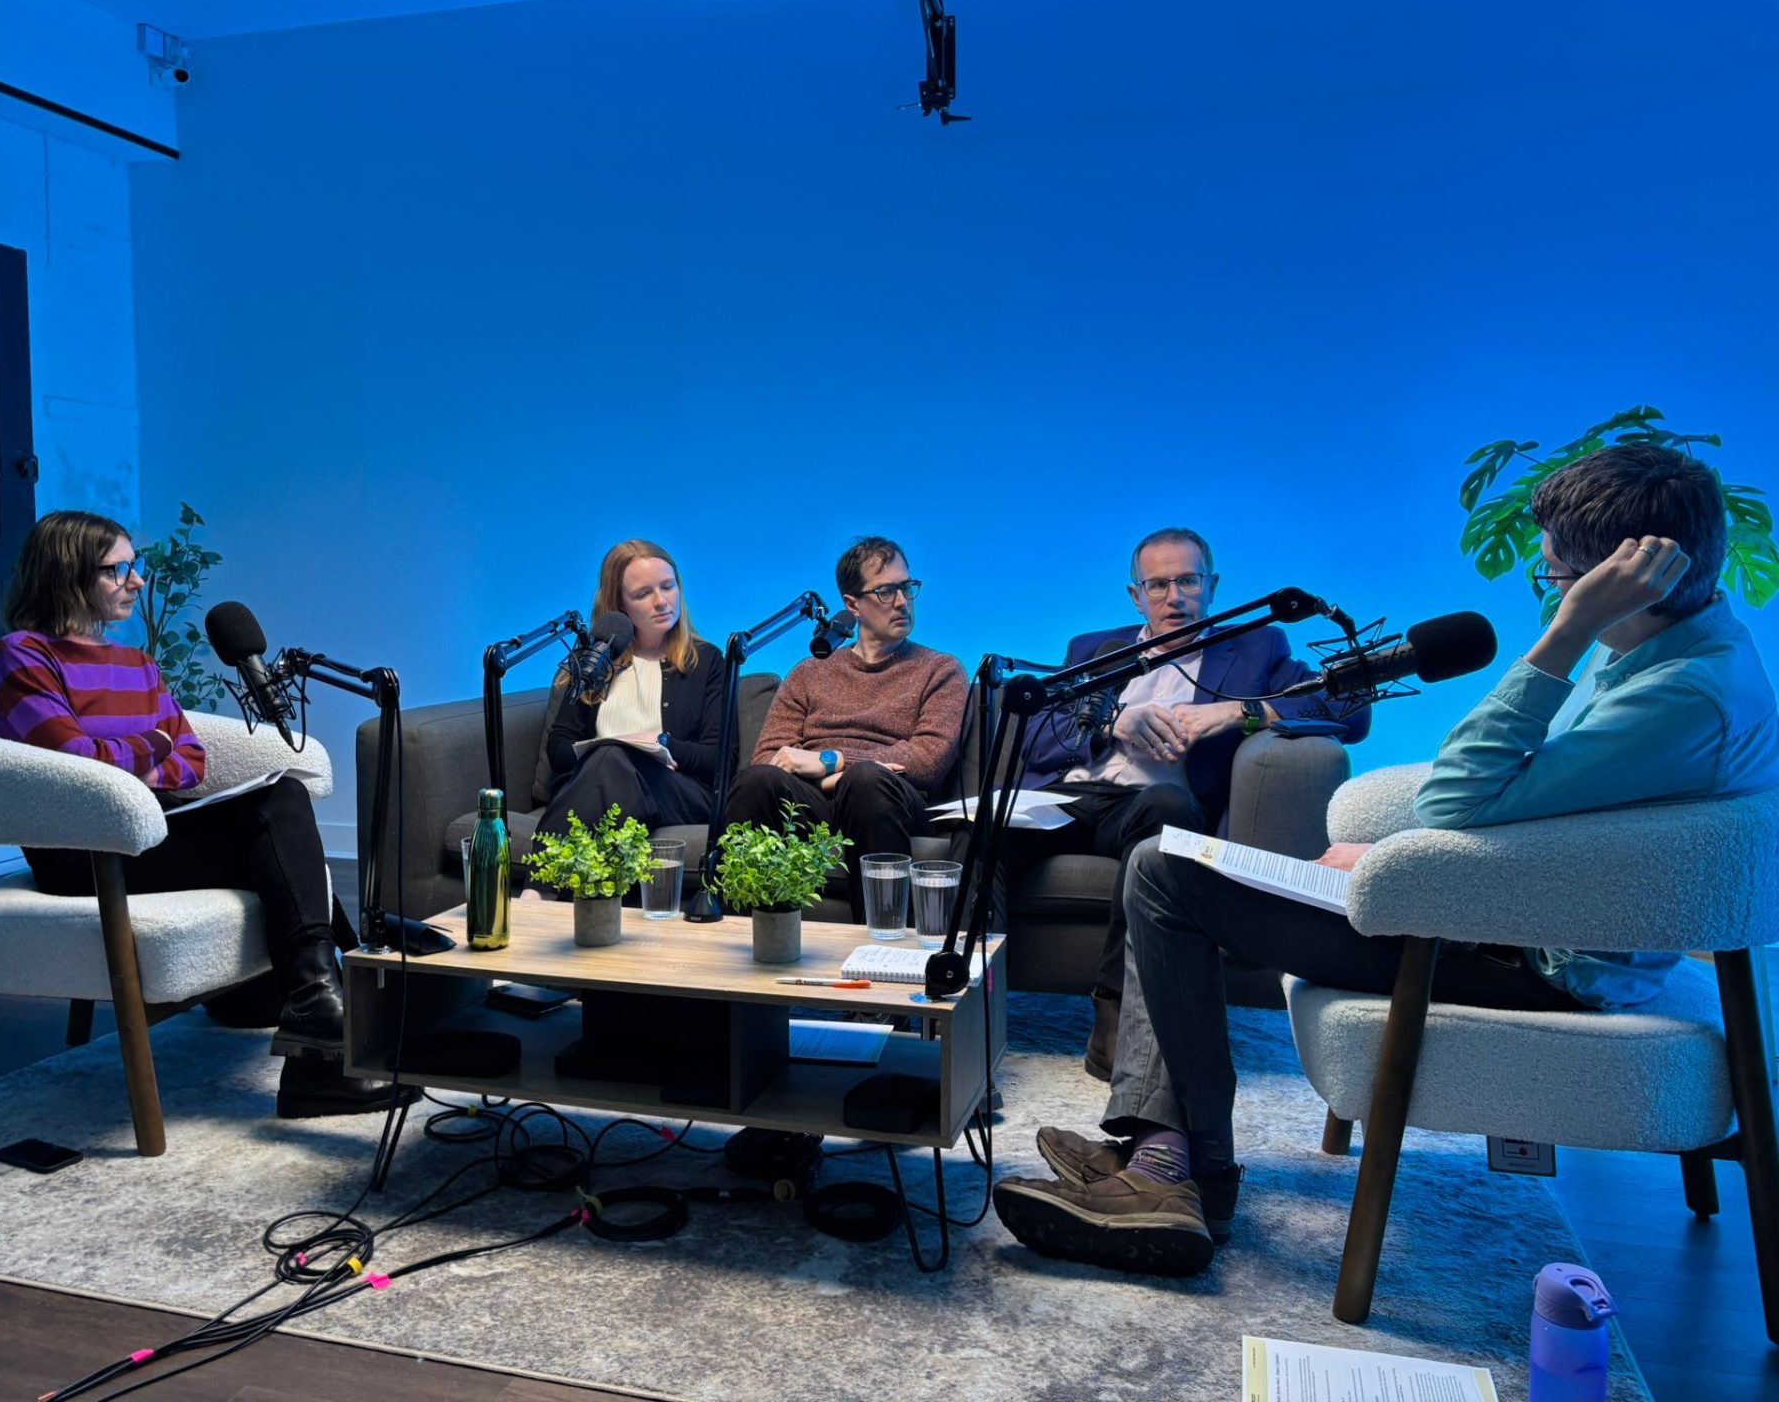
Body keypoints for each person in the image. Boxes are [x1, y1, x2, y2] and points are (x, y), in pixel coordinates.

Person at [992, 444, 1779, 1277]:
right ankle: (1164, 1153)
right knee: (1164, 865)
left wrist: (1567, 631)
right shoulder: (1668, 653)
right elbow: (1524, 792)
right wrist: (1393, 851)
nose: (1554, 592)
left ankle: (1177, 1176)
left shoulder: (1680, 690)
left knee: (1163, 867)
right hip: (1498, 912)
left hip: (1528, 951)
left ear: (1626, 579)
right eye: (1561, 586)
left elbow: (1450, 800)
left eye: (1557, 580)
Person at [0, 510, 402, 1120]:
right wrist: (151, 748)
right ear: (66, 576)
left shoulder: (138, 665)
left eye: (136, 567)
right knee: (277, 818)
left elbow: (192, 759)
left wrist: (147, 759)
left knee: (280, 798)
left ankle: (306, 1004)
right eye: (116, 570)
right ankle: (333, 1002)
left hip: (157, 832)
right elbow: (73, 761)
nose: (135, 582)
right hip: (84, 852)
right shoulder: (22, 656)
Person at [1014, 527, 1372, 1080]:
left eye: (1187, 581)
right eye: (1157, 585)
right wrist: (1112, 720)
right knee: (975, 833)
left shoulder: (1257, 647)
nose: (1173, 598)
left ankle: (1115, 1016)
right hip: (1070, 798)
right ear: (1136, 595)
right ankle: (969, 1017)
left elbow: (1350, 708)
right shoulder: (1095, 650)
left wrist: (1242, 713)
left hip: (1148, 805)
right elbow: (1035, 737)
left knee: (1169, 809)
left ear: (1212, 585)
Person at [721, 537, 967, 924]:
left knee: (866, 780)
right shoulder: (809, 673)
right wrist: (834, 777)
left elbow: (926, 760)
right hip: (818, 802)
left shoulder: (941, 670)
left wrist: (831, 761)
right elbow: (770, 758)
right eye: (886, 591)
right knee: (756, 782)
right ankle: (737, 939)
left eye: (907, 587)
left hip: (891, 801)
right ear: (852, 605)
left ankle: (884, 943)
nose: (902, 601)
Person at [540, 539, 726, 833]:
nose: (662, 601)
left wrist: (661, 744)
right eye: (643, 594)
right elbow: (559, 748)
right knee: (610, 760)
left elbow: (719, 759)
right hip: (600, 784)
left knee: (612, 761)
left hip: (675, 791)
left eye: (668, 586)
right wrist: (605, 751)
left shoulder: (707, 660)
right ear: (619, 606)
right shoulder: (592, 660)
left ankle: (540, 878)